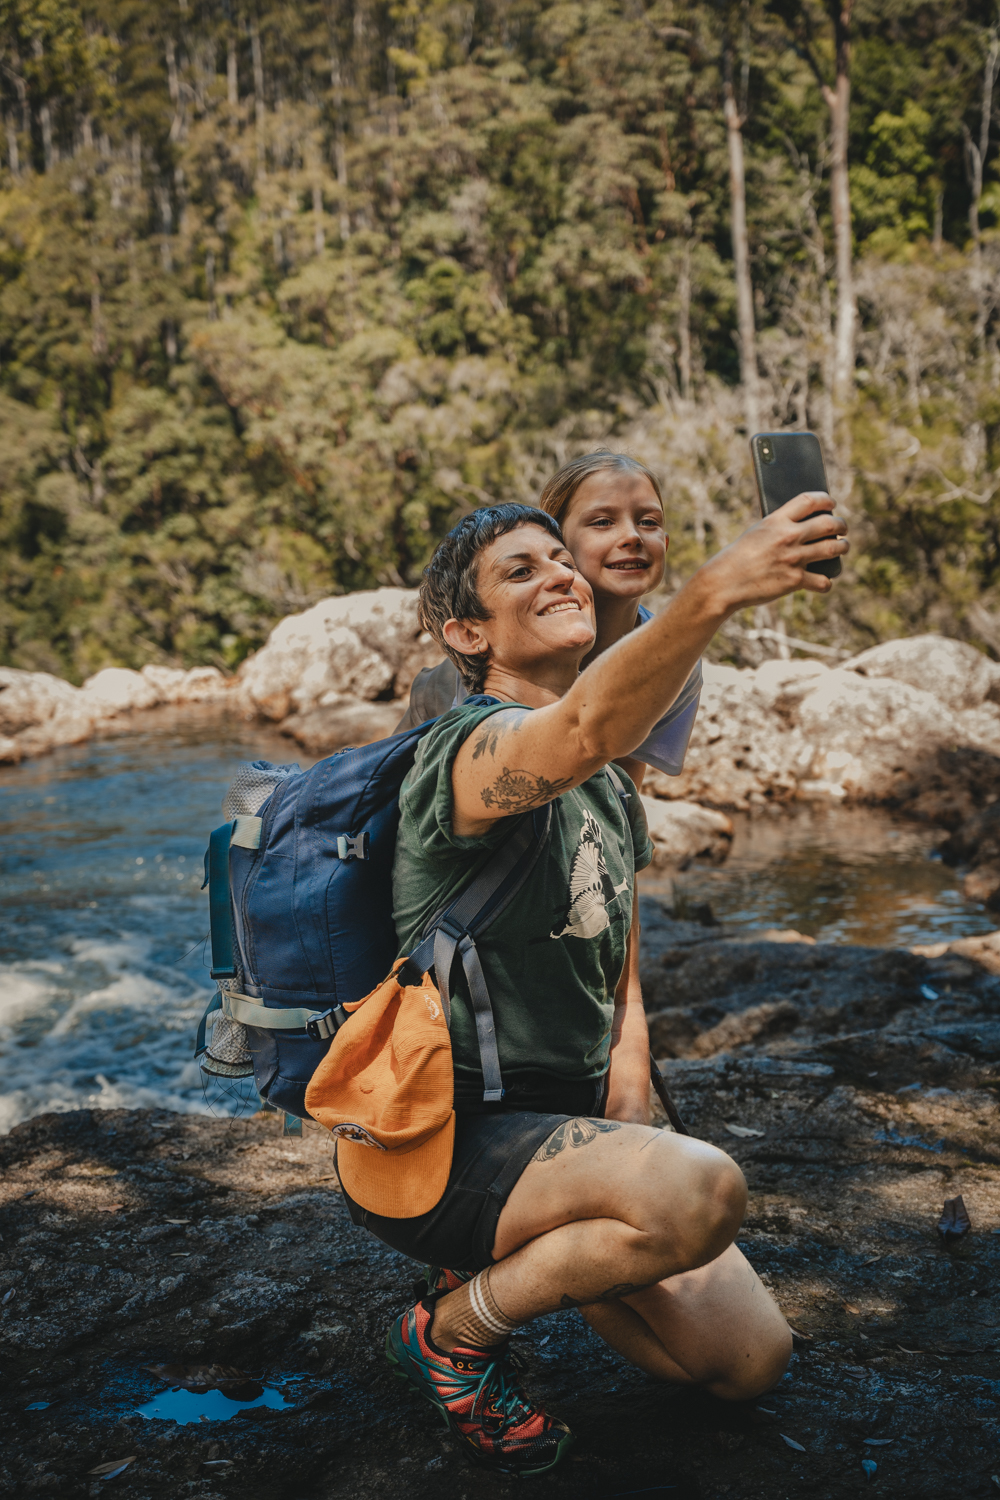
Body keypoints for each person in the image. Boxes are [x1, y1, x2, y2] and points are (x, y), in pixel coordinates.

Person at [341, 490, 848, 1476]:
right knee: (699, 1193)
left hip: (559, 1145)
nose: (561, 574)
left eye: (556, 560)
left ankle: (528, 1253)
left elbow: (618, 954)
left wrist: (633, 1086)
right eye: (519, 571)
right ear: (465, 631)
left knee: (747, 1364)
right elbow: (577, 732)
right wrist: (716, 591)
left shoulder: (611, 790)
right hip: (440, 1147)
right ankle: (450, 1331)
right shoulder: (465, 753)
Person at [395, 450, 701, 790]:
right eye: (602, 522)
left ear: (667, 543)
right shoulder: (503, 652)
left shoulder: (672, 661)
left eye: (649, 522)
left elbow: (620, 793)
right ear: (556, 538)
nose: (632, 536)